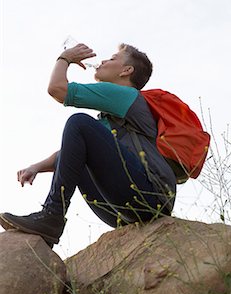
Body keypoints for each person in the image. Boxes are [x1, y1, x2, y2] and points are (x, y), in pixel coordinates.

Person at [0, 43, 176, 247]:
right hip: (123, 211)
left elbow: (57, 89)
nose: (102, 61)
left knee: (79, 122)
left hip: (152, 196)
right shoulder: (111, 119)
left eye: (112, 58)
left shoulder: (127, 96)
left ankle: (52, 215)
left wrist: (65, 58)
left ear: (127, 71)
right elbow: (70, 152)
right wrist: (36, 167)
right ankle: (45, 233)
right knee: (76, 146)